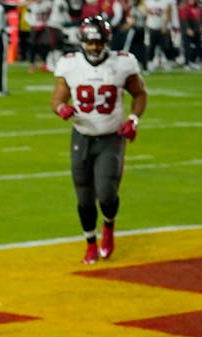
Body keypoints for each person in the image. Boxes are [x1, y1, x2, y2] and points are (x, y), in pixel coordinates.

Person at [51, 15, 145, 265]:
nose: (94, 48)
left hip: (111, 137)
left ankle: (109, 227)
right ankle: (90, 244)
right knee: (83, 197)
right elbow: (56, 99)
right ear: (82, 41)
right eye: (90, 42)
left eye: (98, 42)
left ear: (107, 41)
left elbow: (139, 93)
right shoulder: (70, 64)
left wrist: (133, 119)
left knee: (106, 194)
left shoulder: (123, 63)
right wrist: (62, 109)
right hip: (82, 136)